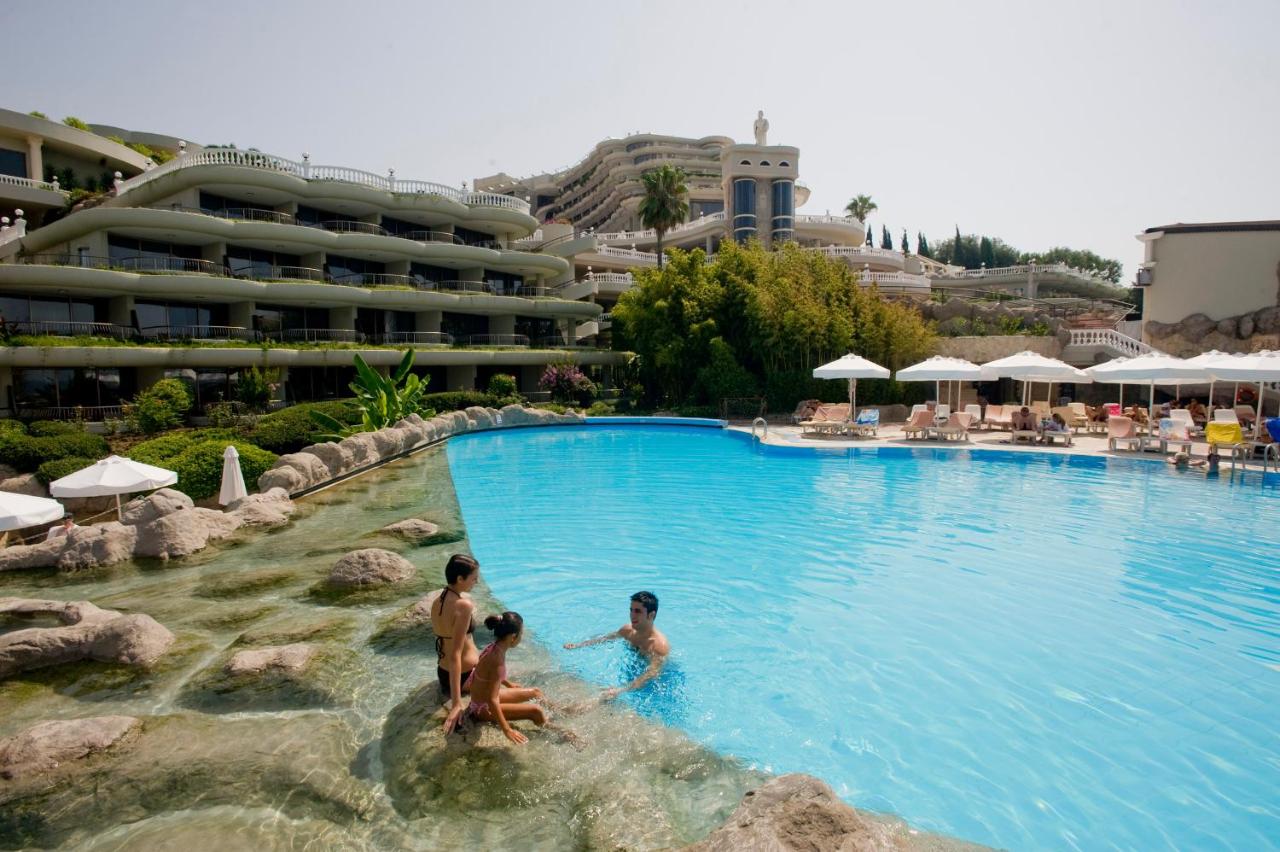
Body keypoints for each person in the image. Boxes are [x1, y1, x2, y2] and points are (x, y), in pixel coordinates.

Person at [462, 611, 553, 745]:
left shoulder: (493, 647)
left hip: (484, 698)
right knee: (536, 711)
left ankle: (559, 710)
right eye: (521, 634)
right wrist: (507, 730)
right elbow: (492, 700)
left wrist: (508, 684)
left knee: (536, 692)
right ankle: (556, 731)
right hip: (482, 708)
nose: (521, 637)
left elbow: (485, 672)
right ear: (513, 637)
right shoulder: (497, 660)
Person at [563, 591, 669, 700]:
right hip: (634, 670)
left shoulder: (658, 646)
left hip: (653, 683)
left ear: (651, 615)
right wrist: (578, 645)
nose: (632, 615)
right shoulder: (627, 631)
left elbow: (651, 673)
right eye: (631, 610)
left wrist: (620, 690)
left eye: (638, 611)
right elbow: (605, 638)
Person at [433, 554, 482, 732]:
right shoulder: (463, 605)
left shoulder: (437, 601)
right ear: (460, 579)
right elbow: (455, 655)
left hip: (443, 673)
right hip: (464, 676)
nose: (476, 582)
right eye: (474, 578)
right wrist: (456, 703)